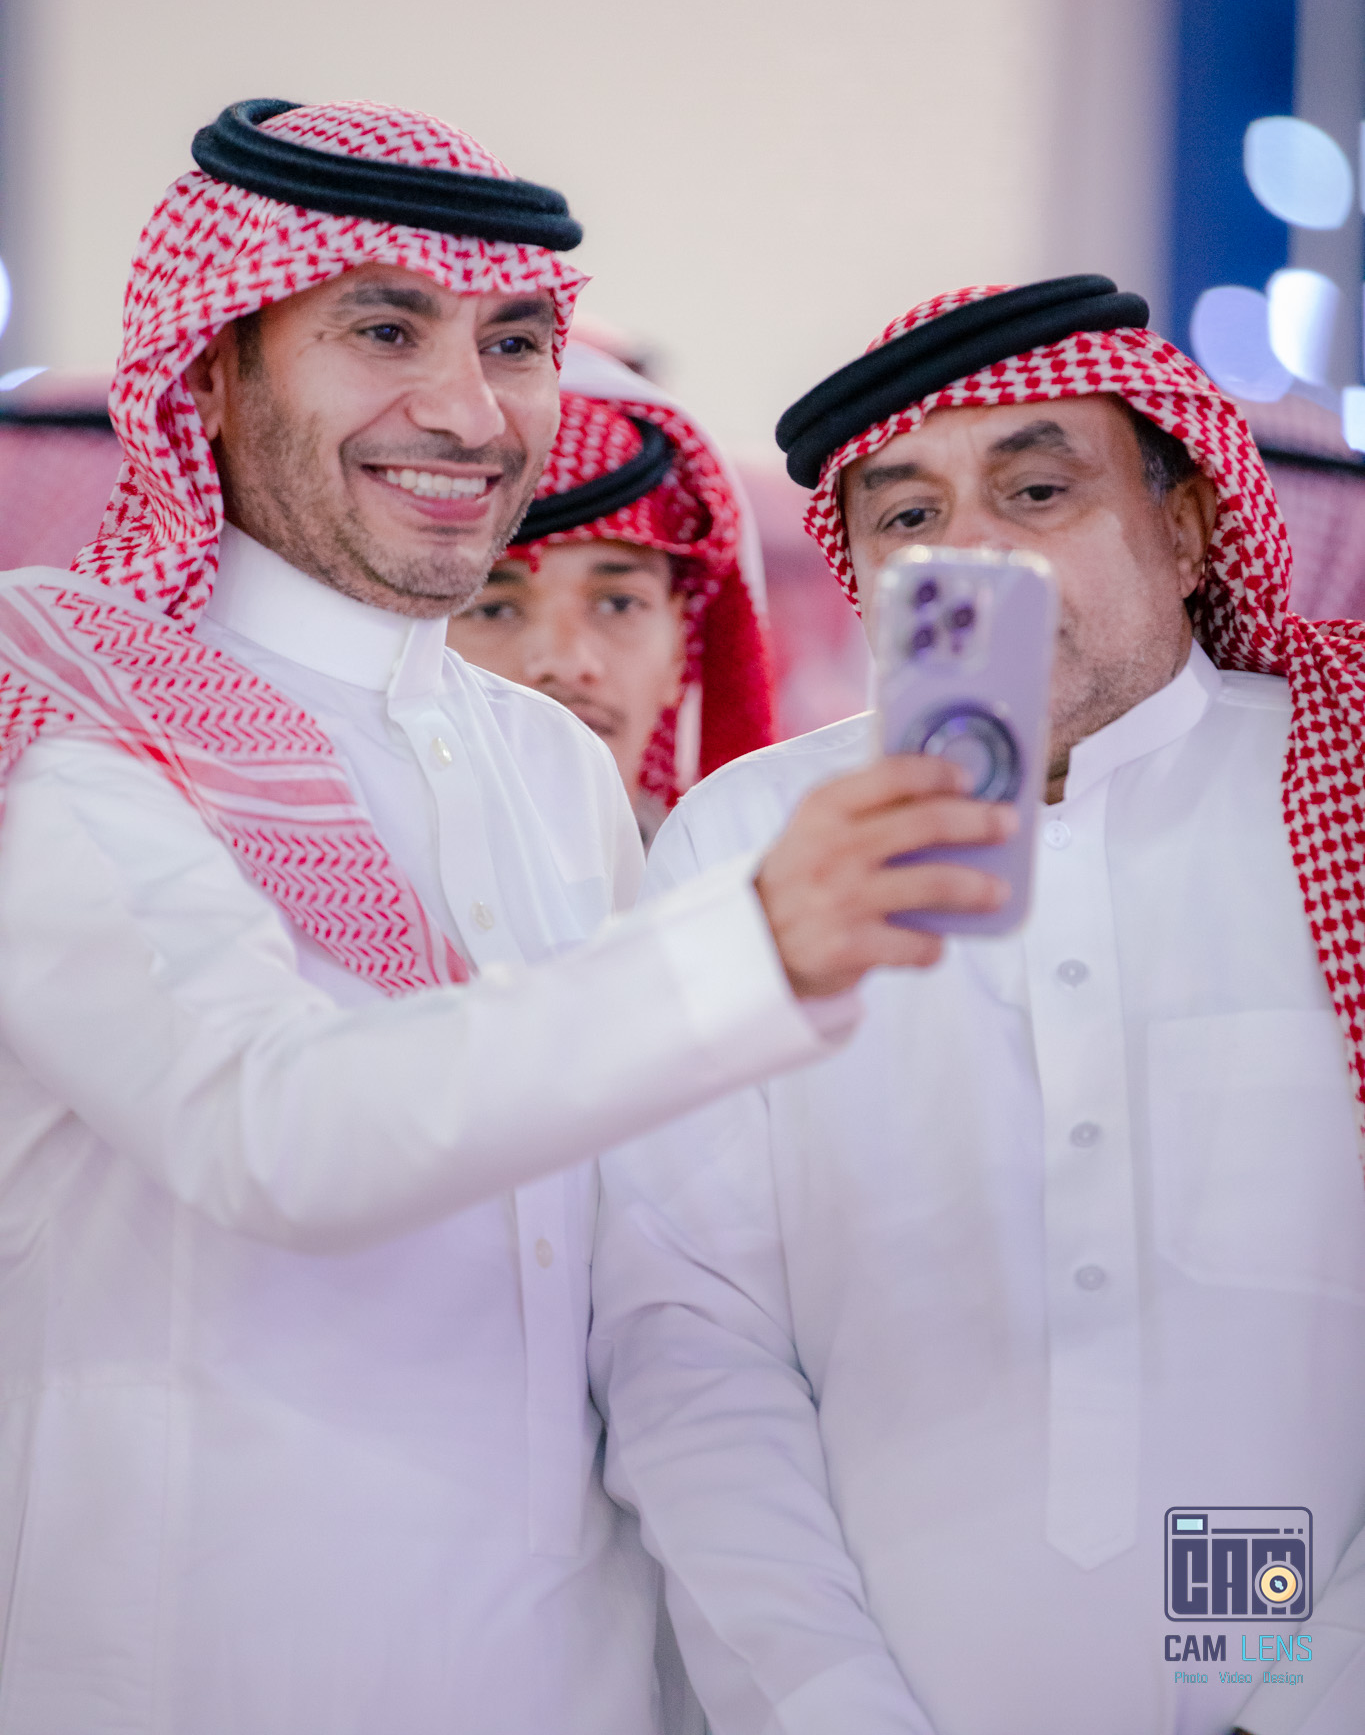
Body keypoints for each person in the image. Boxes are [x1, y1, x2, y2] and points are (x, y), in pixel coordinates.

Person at [0, 101, 1014, 1735]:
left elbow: (643, 1279)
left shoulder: (546, 764)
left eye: (516, 341)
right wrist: (753, 945)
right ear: (215, 369)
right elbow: (274, 1129)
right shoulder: (66, 718)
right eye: (384, 329)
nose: (470, 411)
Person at [589, 276, 1365, 1735]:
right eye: (909, 515)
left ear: (1189, 528)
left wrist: (1310, 1698)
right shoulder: (748, 839)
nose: (975, 555)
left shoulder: (1337, 795)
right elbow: (689, 1338)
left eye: (1038, 490)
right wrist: (830, 1702)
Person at [448, 342, 773, 842]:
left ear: (679, 652)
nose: (566, 663)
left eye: (619, 603)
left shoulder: (743, 884)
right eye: (493, 610)